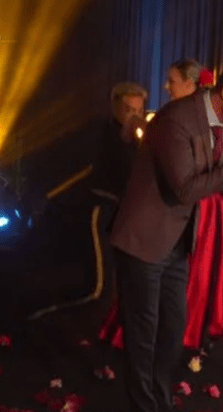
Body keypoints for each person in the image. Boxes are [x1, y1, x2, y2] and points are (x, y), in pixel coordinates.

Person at [109, 58, 223, 412]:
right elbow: (186, 189)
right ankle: (142, 406)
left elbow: (219, 182)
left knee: (173, 331)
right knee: (143, 334)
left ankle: (160, 401)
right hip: (143, 239)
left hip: (176, 242)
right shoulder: (175, 120)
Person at [27, 81, 147, 319]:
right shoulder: (104, 133)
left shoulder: (139, 140)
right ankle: (49, 318)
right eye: (128, 109)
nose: (134, 116)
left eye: (138, 110)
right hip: (102, 211)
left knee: (122, 283)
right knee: (99, 287)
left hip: (125, 216)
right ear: (116, 108)